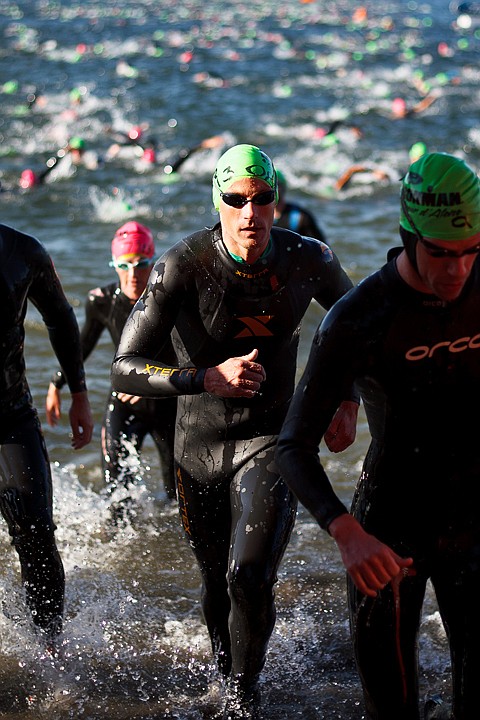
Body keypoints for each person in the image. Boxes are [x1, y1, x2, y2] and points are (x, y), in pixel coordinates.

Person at [111, 144, 358, 718]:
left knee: (249, 574)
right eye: (237, 199)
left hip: (273, 439)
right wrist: (206, 377)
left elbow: (357, 327)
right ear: (218, 201)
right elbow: (125, 365)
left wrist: (346, 402)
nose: (251, 212)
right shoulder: (183, 264)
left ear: (277, 199)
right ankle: (228, 682)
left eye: (263, 198)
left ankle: (243, 701)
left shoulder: (309, 258)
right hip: (197, 448)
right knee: (216, 582)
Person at [276, 152, 480, 720]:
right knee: (392, 708)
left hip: (473, 524)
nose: (457, 271)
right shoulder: (357, 319)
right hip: (388, 539)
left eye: (470, 252)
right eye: (440, 253)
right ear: (408, 234)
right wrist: (345, 532)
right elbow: (292, 447)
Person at [0, 222, 93, 654]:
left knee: (36, 533)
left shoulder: (22, 251)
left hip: (9, 414)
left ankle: (49, 651)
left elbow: (59, 314)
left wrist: (78, 392)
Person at [46, 221, 177, 515]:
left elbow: (191, 354)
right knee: (118, 495)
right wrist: (57, 383)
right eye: (124, 265)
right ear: (114, 265)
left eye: (141, 264)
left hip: (168, 404)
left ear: (153, 262)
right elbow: (82, 346)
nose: (133, 275)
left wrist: (150, 384)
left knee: (177, 497)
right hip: (124, 404)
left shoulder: (170, 297)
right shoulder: (101, 301)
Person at [274, 169, 328, 242]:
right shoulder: (258, 217)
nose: (272, 190)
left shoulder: (300, 217)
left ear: (283, 188)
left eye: (276, 185)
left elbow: (321, 248)